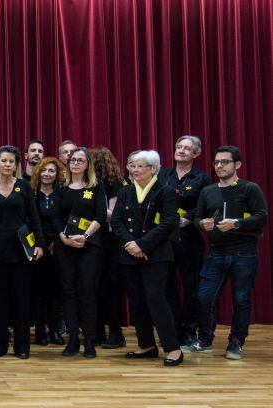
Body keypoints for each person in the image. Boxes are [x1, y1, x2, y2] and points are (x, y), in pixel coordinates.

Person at [190, 145, 268, 360]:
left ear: (237, 165)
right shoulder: (208, 191)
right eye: (216, 162)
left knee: (241, 300)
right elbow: (197, 218)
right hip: (216, 253)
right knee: (204, 298)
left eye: (224, 162)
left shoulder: (250, 188)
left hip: (244, 254)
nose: (219, 166)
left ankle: (236, 342)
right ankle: (205, 339)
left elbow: (261, 217)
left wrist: (237, 224)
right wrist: (201, 224)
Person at [111, 150, 183, 366]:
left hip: (156, 254)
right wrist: (131, 245)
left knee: (156, 299)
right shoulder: (125, 191)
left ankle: (172, 348)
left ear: (154, 168)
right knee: (137, 300)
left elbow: (168, 223)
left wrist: (142, 244)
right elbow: (117, 222)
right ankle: (147, 344)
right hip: (129, 254)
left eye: (139, 166)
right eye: (131, 165)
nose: (133, 170)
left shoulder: (166, 191)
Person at [0, 146, 44, 359]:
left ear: (16, 164)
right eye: (3, 161)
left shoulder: (24, 186)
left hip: (21, 250)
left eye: (11, 161)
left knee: (21, 300)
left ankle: (22, 346)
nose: (7, 165)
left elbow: (34, 218)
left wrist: (39, 244)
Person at [52, 147, 106, 358]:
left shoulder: (95, 187)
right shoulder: (60, 187)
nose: (75, 163)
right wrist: (62, 237)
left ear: (87, 164)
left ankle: (89, 340)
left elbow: (101, 215)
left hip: (89, 247)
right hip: (65, 247)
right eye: (73, 160)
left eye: (80, 160)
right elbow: (55, 216)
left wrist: (85, 236)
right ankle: (73, 338)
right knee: (69, 292)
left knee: (87, 293)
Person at [158, 135, 211, 346]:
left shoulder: (202, 178)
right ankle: (172, 330)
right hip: (164, 240)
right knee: (167, 287)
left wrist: (188, 219)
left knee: (192, 287)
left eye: (186, 148)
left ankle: (189, 329)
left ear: (196, 154)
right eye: (178, 146)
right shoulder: (163, 175)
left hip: (189, 239)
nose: (181, 150)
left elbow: (204, 204)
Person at [89, 147, 128, 349]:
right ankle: (96, 331)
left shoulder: (114, 184)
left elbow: (112, 214)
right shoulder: (92, 185)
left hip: (111, 242)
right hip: (95, 241)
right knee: (95, 288)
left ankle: (116, 332)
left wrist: (92, 210)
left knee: (109, 289)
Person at [29, 156, 66, 346]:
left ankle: (54, 329)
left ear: (57, 174)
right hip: (37, 248)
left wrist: (55, 242)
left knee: (56, 291)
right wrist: (41, 243)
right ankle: (40, 331)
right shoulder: (31, 193)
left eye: (51, 171)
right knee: (38, 291)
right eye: (44, 170)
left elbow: (65, 218)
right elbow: (30, 221)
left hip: (59, 247)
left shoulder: (62, 193)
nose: (47, 174)